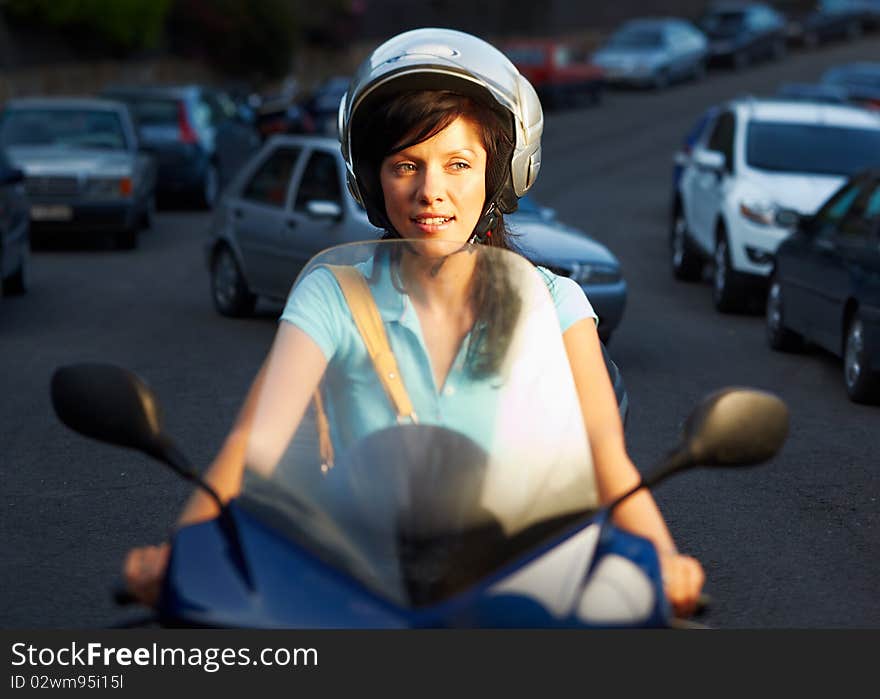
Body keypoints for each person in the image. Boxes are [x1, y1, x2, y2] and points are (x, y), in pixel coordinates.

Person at [125, 28, 704, 618]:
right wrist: (181, 554)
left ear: (499, 175)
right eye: (407, 165)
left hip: (517, 592)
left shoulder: (554, 302)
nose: (432, 191)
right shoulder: (334, 292)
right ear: (373, 179)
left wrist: (665, 560)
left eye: (459, 163)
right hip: (354, 587)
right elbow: (254, 445)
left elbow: (605, 453)